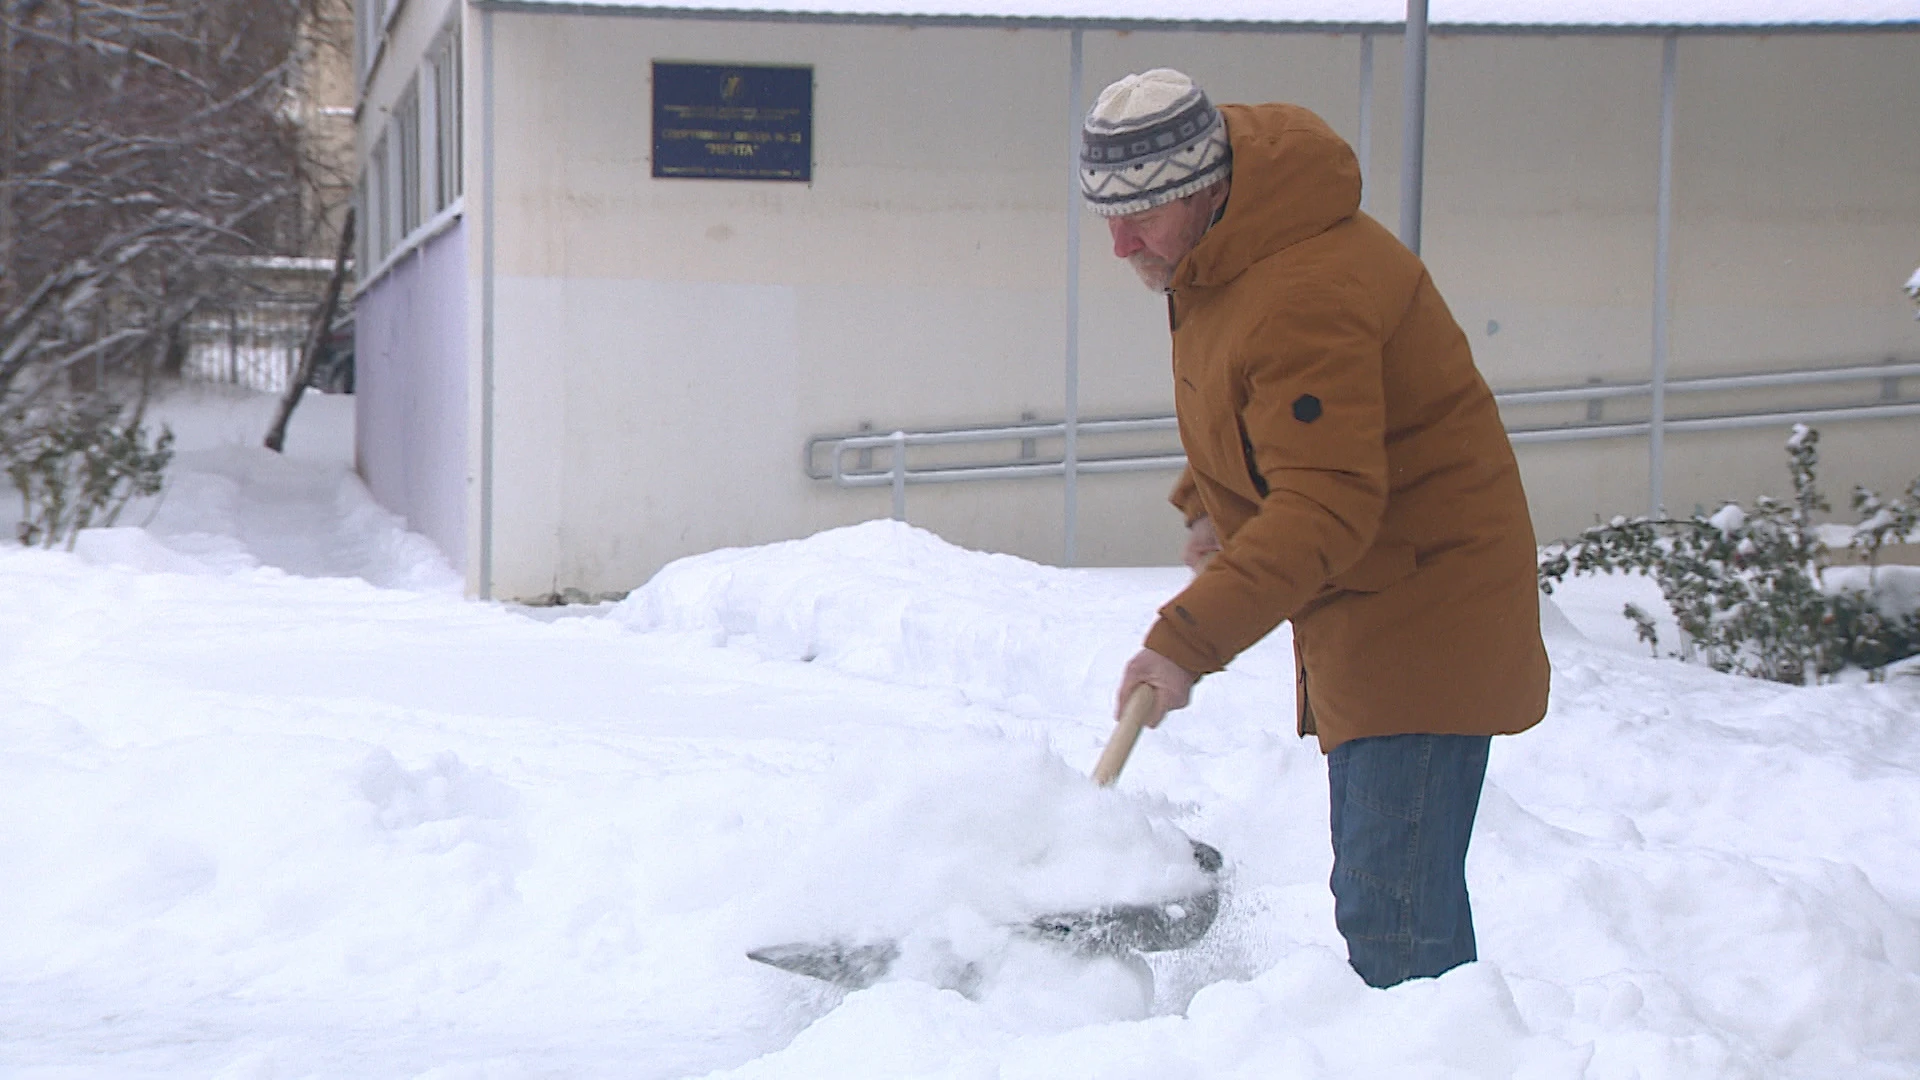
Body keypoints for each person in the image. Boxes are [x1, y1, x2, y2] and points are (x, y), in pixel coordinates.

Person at [1082, 69, 1550, 989]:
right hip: (1374, 591)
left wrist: (1184, 643)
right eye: (1105, 211)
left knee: (1394, 911)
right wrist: (1216, 507)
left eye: (1142, 212)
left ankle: (1431, 1054)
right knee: (1387, 895)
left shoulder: (1303, 283)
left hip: (1423, 609)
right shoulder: (1225, 253)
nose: (1119, 242)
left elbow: (1328, 502)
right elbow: (1270, 415)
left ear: (1207, 187)